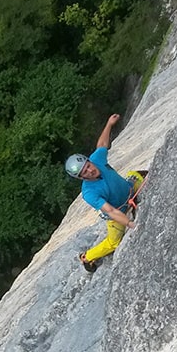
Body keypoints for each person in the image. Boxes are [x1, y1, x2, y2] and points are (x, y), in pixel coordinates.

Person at [65, 114, 145, 273]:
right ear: (81, 178)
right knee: (113, 242)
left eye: (87, 166)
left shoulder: (97, 159)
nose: (89, 171)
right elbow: (111, 211)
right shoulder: (89, 193)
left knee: (138, 175)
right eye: (84, 173)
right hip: (118, 211)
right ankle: (87, 257)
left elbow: (102, 144)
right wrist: (131, 224)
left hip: (129, 189)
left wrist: (109, 123)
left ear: (88, 161)